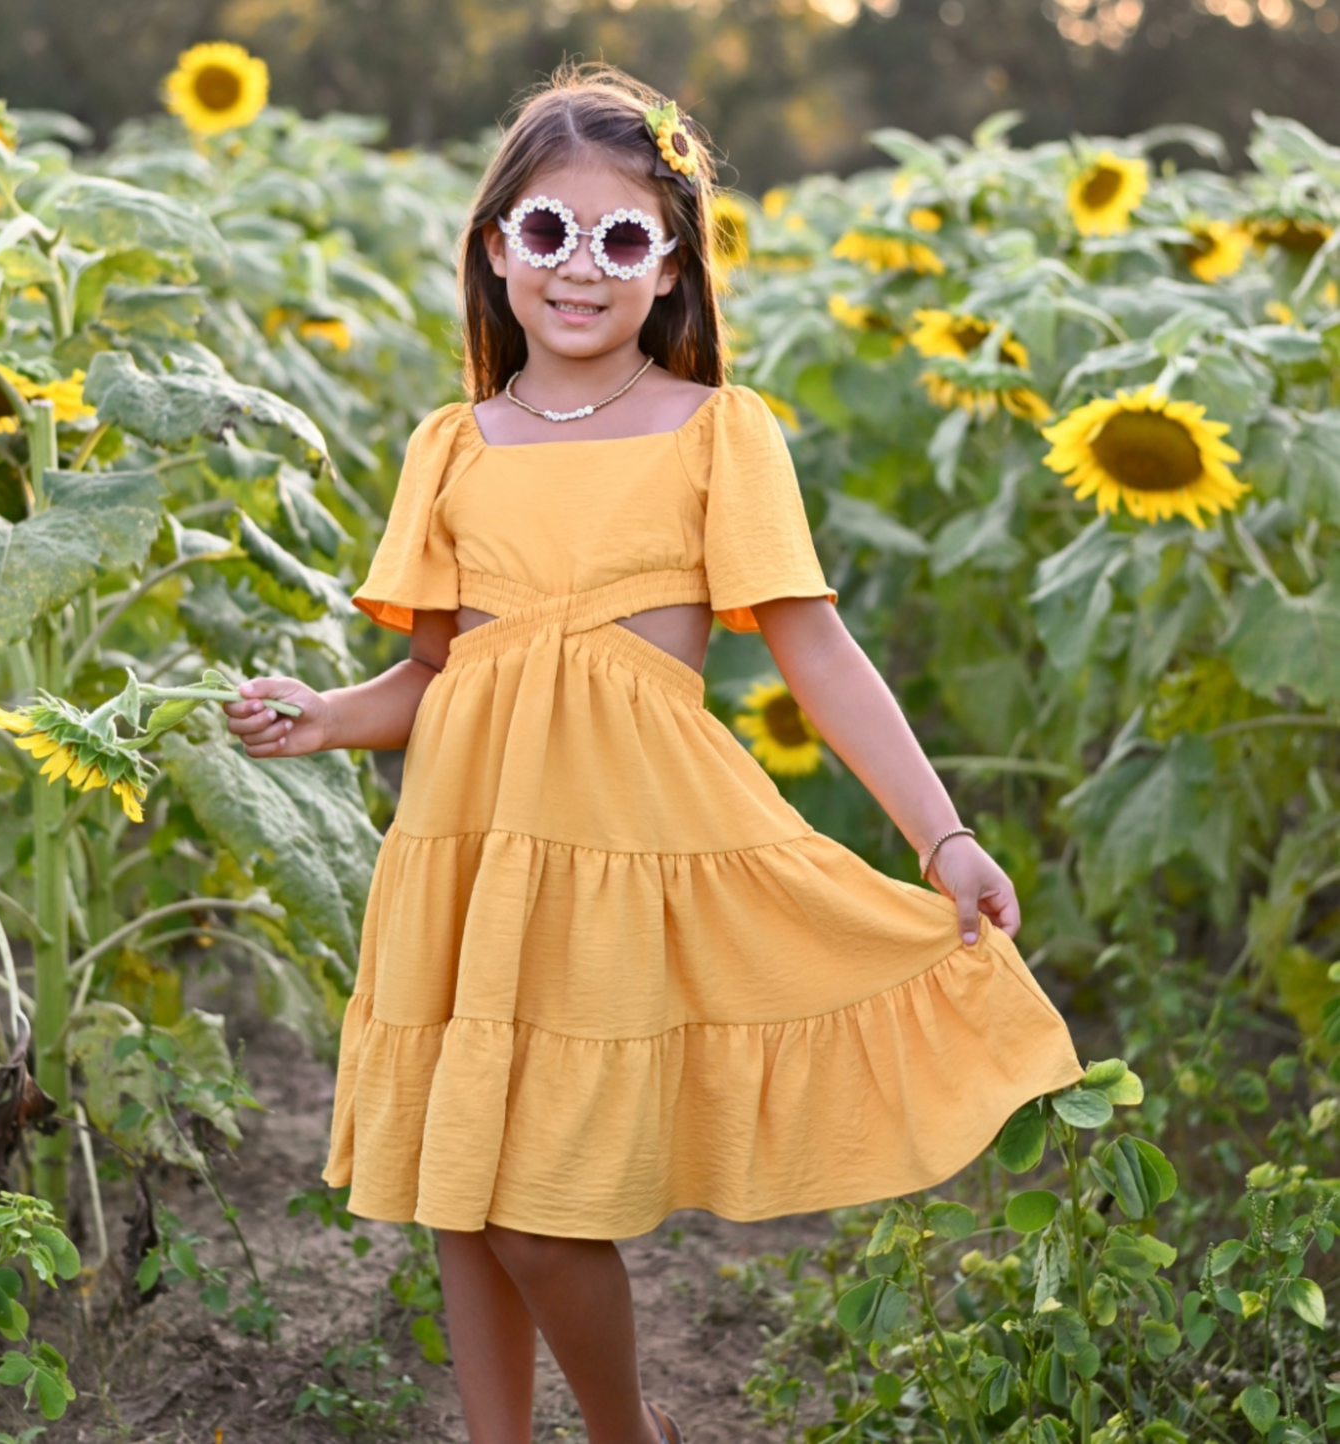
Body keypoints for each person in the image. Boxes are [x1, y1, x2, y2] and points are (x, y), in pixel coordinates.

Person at [223, 62, 1082, 1444]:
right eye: (547, 231)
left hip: (621, 859)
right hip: (469, 852)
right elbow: (441, 671)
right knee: (466, 1190)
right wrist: (324, 714)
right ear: (495, 247)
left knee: (545, 1207)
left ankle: (629, 1436)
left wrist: (944, 835)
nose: (581, 268)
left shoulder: (713, 434)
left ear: (672, 266)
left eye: (623, 237)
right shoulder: (453, 446)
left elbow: (817, 653)